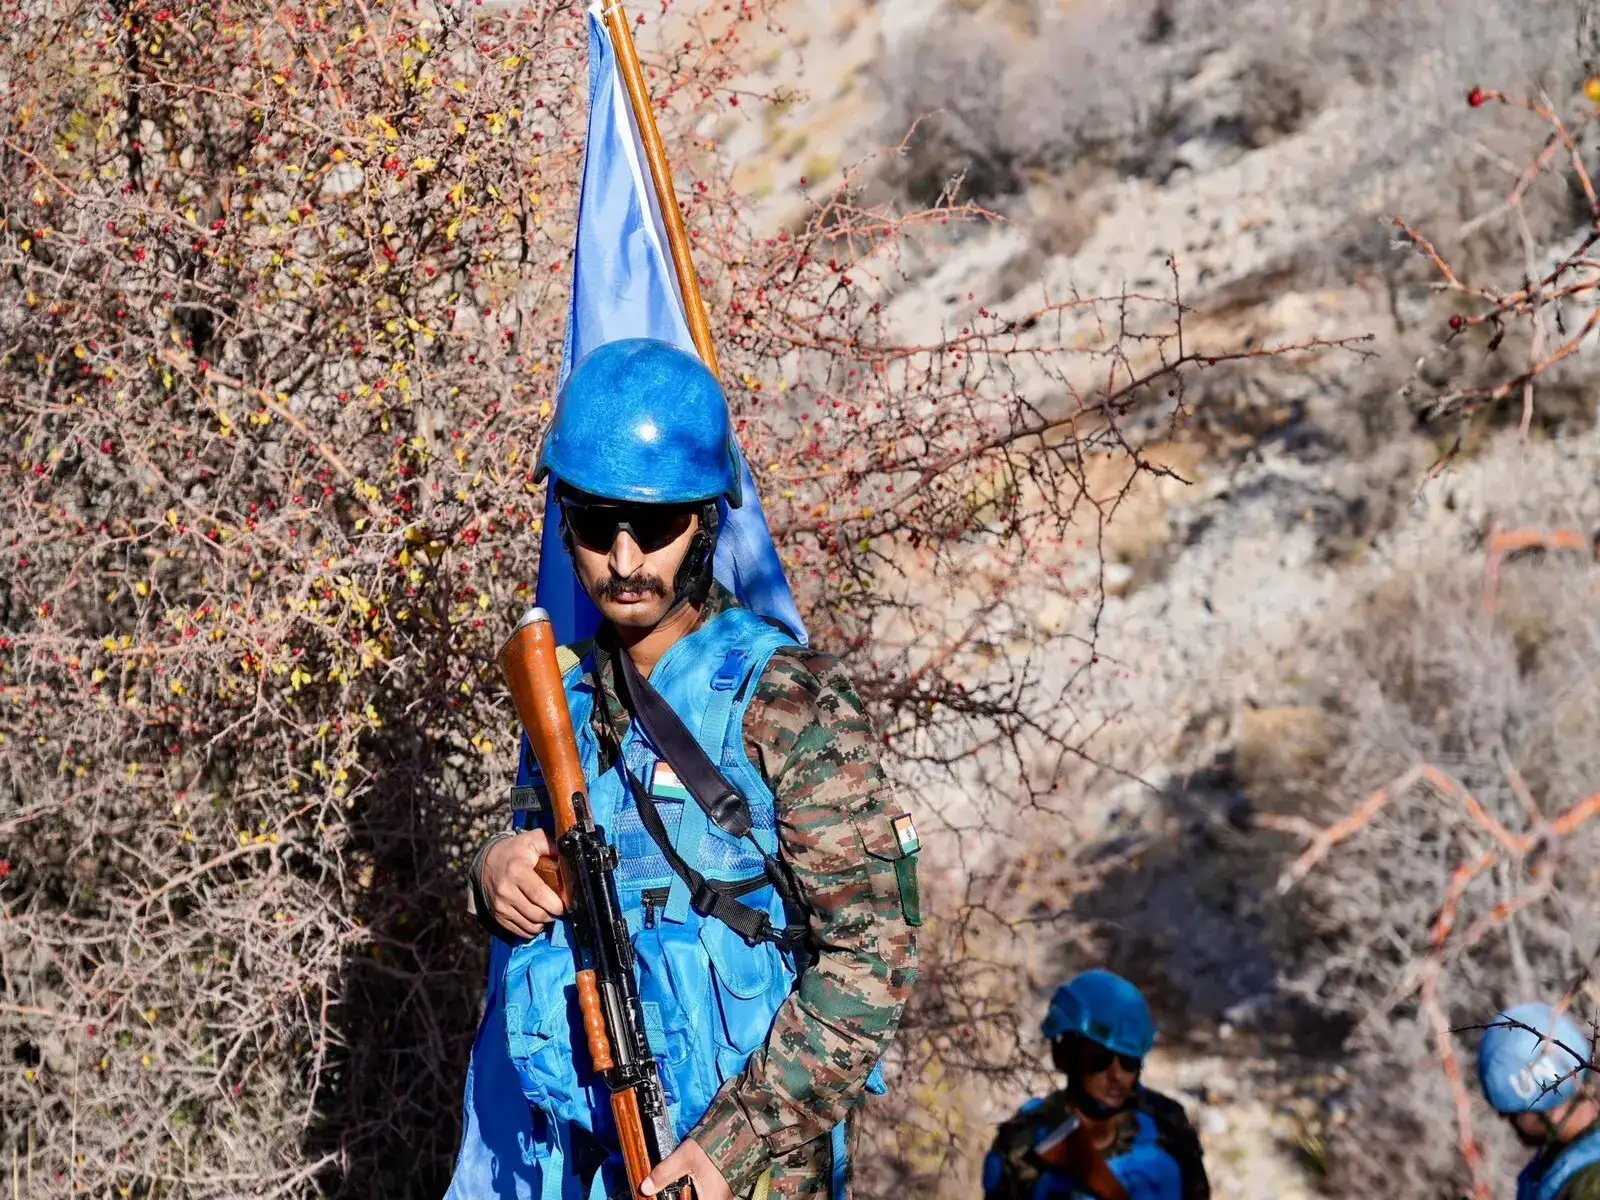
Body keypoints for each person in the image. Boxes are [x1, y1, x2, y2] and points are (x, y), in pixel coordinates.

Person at [449, 337, 920, 1200]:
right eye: (597, 524)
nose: (625, 561)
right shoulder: (568, 703)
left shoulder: (784, 699)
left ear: (704, 521)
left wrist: (732, 1143)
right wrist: (495, 876)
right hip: (583, 1164)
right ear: (565, 523)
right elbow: (561, 884)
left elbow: (872, 959)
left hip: (745, 1174)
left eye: (655, 525)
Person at [982, 970, 1209, 1200]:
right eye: (1100, 1059)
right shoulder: (1024, 1144)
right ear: (1064, 1054)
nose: (1116, 1075)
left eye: (1129, 1062)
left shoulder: (1165, 1123)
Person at [1477, 1001, 1600, 1200]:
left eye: (1511, 1114)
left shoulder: (1589, 1185)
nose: (1505, 1120)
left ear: (1547, 1108)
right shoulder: (1559, 1161)